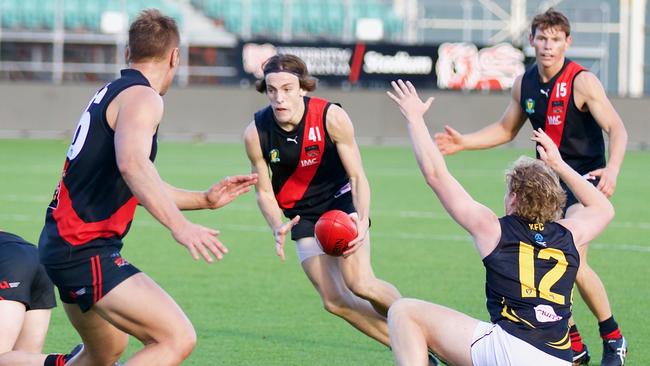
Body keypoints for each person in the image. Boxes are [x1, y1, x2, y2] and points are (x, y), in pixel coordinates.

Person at [7, 10, 257, 366]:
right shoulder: (144, 98)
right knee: (176, 338)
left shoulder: (113, 91)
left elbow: (134, 180)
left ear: (129, 53)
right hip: (84, 250)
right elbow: (134, 166)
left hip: (64, 245)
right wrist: (179, 226)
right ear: (175, 57)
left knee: (103, 354)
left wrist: (204, 200)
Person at [434, 8, 627, 365]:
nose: (548, 46)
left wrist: (612, 169)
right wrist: (464, 142)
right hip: (545, 187)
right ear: (532, 40)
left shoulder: (582, 81)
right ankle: (572, 340)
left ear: (567, 42)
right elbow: (506, 129)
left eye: (555, 39)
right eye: (542, 38)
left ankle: (612, 336)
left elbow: (617, 128)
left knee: (574, 258)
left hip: (582, 180)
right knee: (533, 257)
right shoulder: (524, 82)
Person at [385, 79, 614, 366]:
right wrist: (559, 165)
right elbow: (603, 208)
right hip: (561, 359)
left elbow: (436, 175)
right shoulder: (569, 233)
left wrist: (415, 118)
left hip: (508, 350)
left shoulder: (493, 229)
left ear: (515, 198)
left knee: (404, 312)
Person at [243, 54, 404, 354]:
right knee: (334, 301)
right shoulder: (256, 132)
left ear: (303, 88)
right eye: (272, 89)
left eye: (288, 88)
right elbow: (264, 192)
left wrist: (363, 221)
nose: (279, 97)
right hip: (301, 216)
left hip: (340, 202)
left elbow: (357, 176)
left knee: (361, 283)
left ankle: (425, 327)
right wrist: (276, 224)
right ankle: (407, 347)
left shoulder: (331, 117)